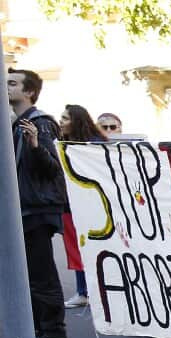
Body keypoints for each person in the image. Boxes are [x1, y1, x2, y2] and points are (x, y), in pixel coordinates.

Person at [8, 69, 70, 338]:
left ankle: (54, 335)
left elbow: (53, 168)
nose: (6, 88)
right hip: (23, 210)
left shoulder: (40, 123)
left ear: (29, 92)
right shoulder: (15, 123)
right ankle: (38, 330)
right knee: (26, 276)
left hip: (36, 210)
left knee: (41, 275)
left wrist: (34, 147)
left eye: (12, 84)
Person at [58, 104, 109, 308]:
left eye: (65, 118)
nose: (61, 121)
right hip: (71, 205)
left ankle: (96, 291)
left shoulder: (93, 145)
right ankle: (84, 291)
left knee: (96, 247)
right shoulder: (66, 144)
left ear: (76, 121)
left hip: (93, 204)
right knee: (77, 248)